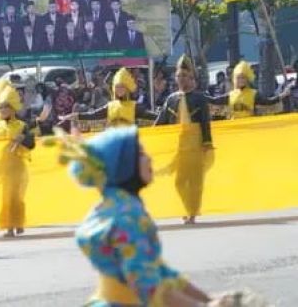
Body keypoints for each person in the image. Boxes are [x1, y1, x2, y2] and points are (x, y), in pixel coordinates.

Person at [48, 126, 214, 306]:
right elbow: (147, 286)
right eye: (141, 154)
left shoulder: (109, 208)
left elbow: (161, 272)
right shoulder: (128, 216)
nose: (149, 158)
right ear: (122, 166)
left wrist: (210, 301)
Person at [156, 55, 213, 225]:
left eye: (185, 76)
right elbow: (161, 121)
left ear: (191, 78)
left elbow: (205, 123)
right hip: (179, 145)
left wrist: (207, 143)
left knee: (194, 181)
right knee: (179, 182)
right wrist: (147, 136)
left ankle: (193, 213)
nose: (181, 79)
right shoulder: (171, 99)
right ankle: (187, 207)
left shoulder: (199, 98)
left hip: (195, 144)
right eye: (179, 76)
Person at [0, 83, 34, 237]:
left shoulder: (22, 125)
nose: (3, 110)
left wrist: (22, 138)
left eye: (6, 107)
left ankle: (18, 223)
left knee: (17, 197)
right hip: (5, 167)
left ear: (13, 109)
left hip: (18, 166)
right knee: (7, 197)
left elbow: (32, 143)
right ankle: (9, 227)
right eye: (0, 108)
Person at [67, 68, 157, 128]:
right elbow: (92, 115)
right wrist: (74, 116)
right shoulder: (110, 106)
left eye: (122, 87)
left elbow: (152, 116)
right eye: (117, 87)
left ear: (127, 89)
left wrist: (166, 114)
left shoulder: (135, 106)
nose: (119, 89)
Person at [207, 61, 293, 119]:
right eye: (238, 78)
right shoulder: (230, 95)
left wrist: (283, 95)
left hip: (250, 126)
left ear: (247, 79)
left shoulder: (254, 94)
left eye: (243, 78)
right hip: (235, 127)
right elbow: (214, 101)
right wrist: (202, 96)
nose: (241, 80)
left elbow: (268, 102)